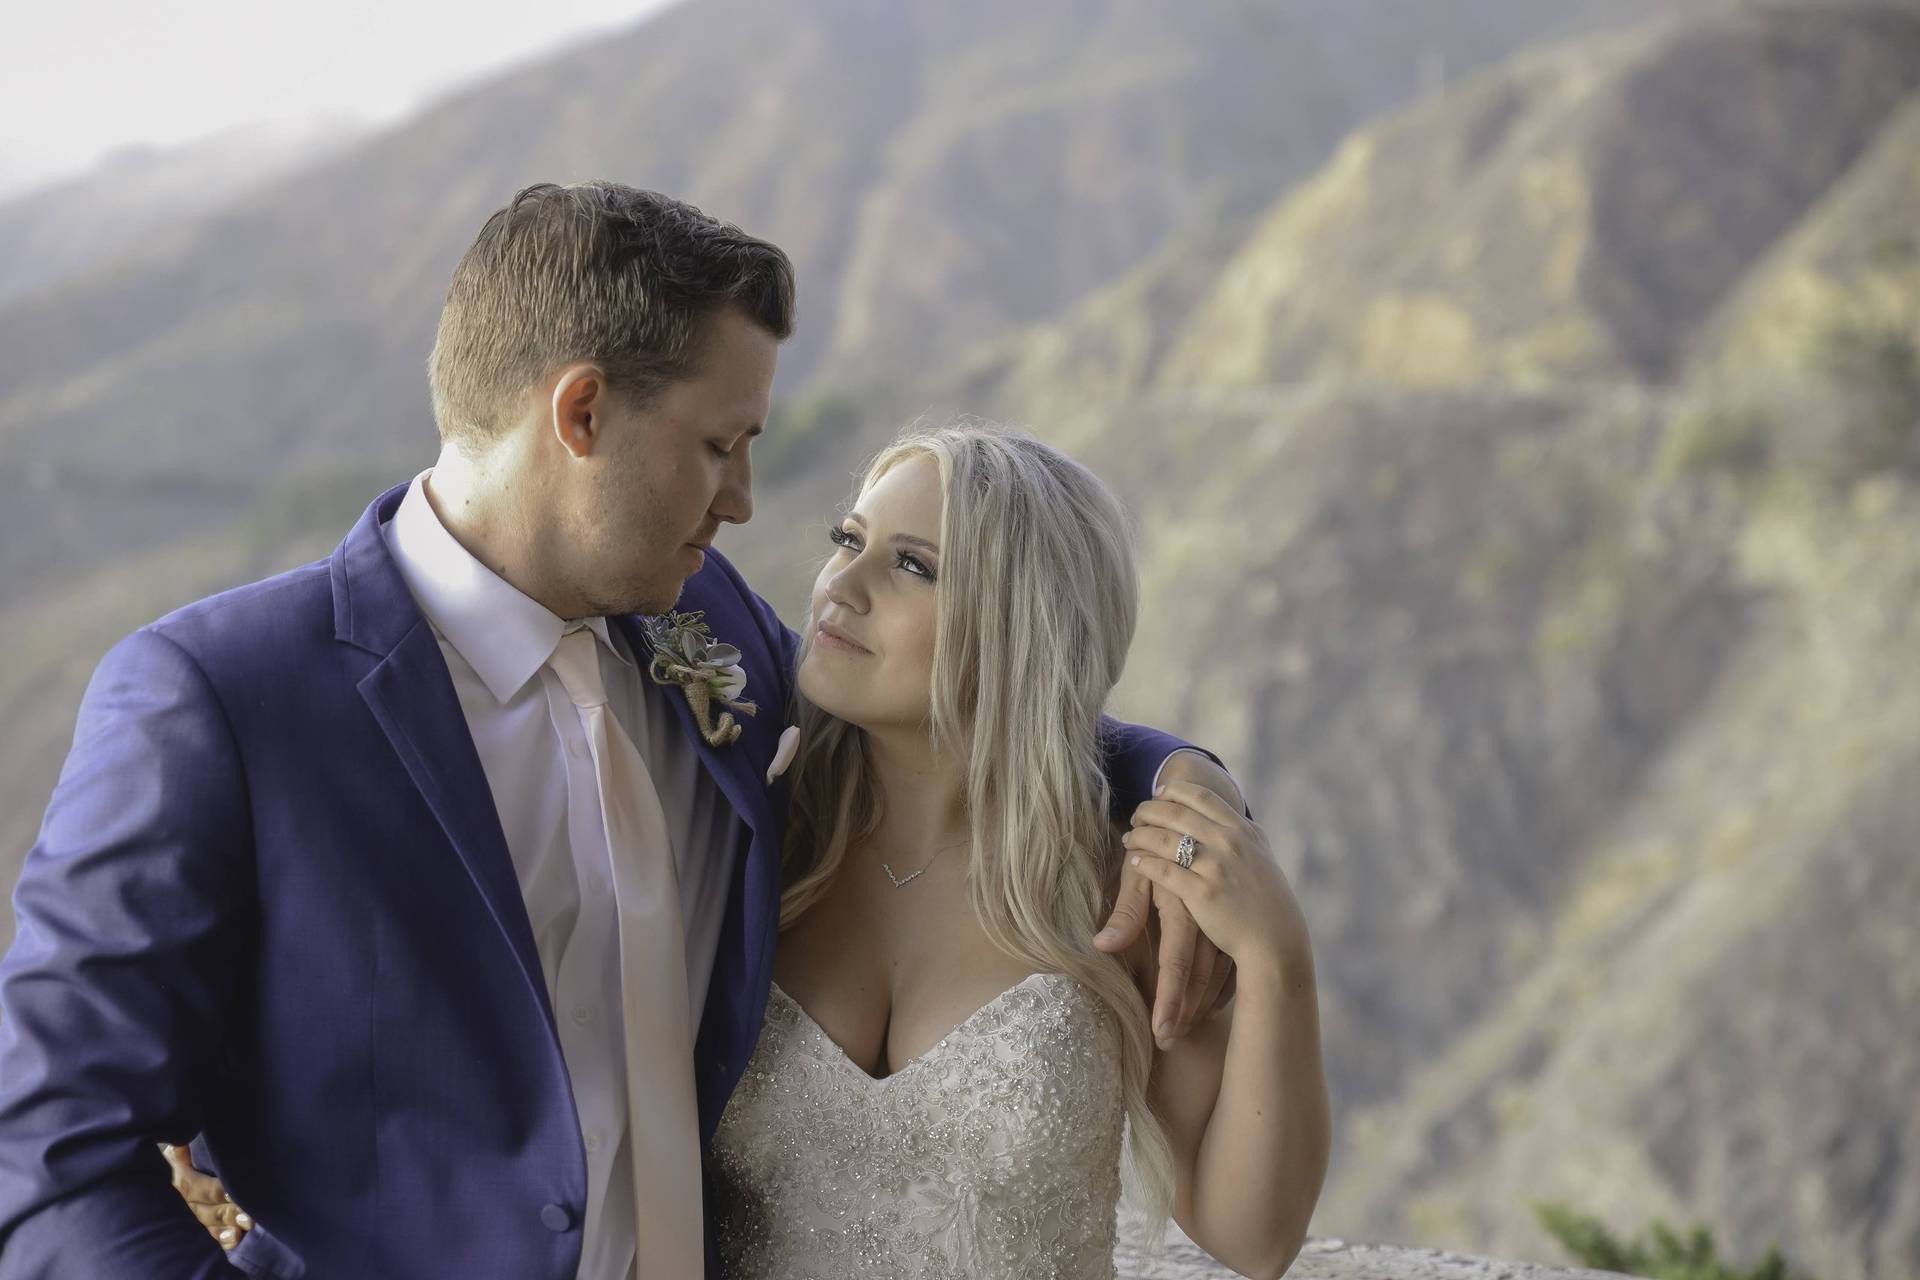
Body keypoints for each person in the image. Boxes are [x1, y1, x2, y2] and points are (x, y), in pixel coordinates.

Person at [0, 183, 1241, 1279]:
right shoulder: (216, 697)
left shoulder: (705, 625)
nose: (746, 498)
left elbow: (968, 698)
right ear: (582, 413)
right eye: (718, 445)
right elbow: (48, 1143)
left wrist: (1174, 782)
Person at [177, 423, 1331, 1278]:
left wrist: (1278, 963)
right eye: (850, 540)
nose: (839, 585)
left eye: (911, 565)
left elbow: (1251, 1231)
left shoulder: (1114, 893)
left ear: (1018, 623)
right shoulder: (742, 831)